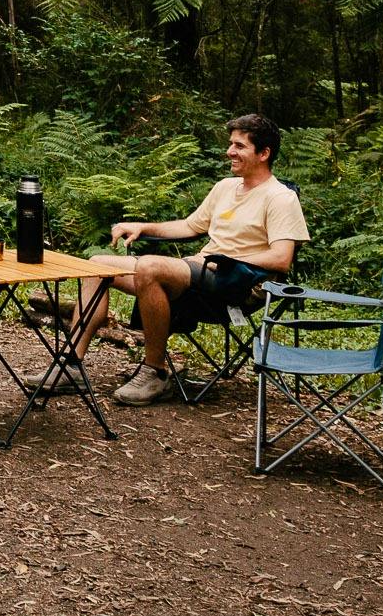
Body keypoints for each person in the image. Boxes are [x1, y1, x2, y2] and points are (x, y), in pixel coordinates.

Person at [91, 113, 308, 405]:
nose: (230, 151)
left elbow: (281, 258)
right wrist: (143, 227)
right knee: (94, 264)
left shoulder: (280, 198)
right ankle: (72, 364)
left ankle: (154, 372)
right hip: (203, 270)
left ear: (264, 153)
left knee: (150, 266)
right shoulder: (225, 187)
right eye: (231, 143)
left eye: (240, 146)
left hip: (239, 283)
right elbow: (190, 226)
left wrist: (228, 256)